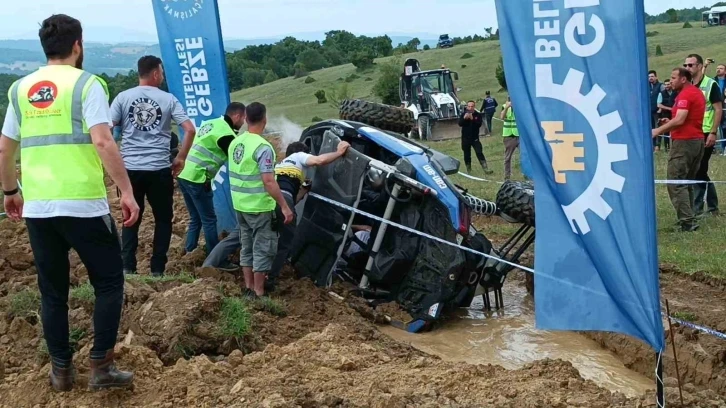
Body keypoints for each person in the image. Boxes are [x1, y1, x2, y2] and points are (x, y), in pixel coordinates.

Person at [0, 14, 138, 391]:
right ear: (78, 45)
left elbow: (5, 147)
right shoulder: (87, 84)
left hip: (40, 208)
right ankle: (101, 366)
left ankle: (61, 370)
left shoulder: (20, 88)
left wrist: (11, 192)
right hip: (82, 204)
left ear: (45, 47)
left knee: (52, 290)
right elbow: (103, 141)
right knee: (109, 281)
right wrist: (125, 191)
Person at [111, 55, 197, 277]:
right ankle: (157, 268)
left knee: (130, 217)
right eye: (162, 72)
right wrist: (181, 158)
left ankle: (127, 267)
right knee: (163, 219)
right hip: (159, 169)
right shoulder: (168, 99)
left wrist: (115, 160)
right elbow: (190, 129)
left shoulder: (122, 97)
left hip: (129, 170)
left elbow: (108, 127)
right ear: (156, 73)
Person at [228, 102, 293, 297]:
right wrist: (284, 206)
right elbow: (268, 181)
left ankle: (249, 288)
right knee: (263, 248)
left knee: (246, 246)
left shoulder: (236, 142)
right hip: (259, 207)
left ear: (246, 119)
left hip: (240, 205)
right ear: (265, 119)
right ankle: (259, 292)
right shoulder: (263, 147)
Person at [266, 140, 350, 292]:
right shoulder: (299, 156)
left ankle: (260, 273)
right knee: (285, 243)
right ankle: (270, 279)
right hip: (284, 199)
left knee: (269, 237)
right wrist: (338, 152)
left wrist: (304, 190)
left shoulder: (279, 165)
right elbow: (320, 160)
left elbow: (293, 197)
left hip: (268, 201)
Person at [177, 102, 246, 259]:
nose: (243, 123)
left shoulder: (212, 123)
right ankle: (215, 258)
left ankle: (189, 252)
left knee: (196, 217)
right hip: (197, 177)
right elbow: (238, 160)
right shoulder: (226, 134)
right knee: (209, 219)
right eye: (243, 118)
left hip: (184, 174)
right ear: (237, 116)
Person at [652, 68, 706, 232]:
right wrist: (669, 121)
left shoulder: (686, 94)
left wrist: (657, 131)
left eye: (674, 77)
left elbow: (681, 119)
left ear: (683, 79)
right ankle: (690, 217)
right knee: (686, 182)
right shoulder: (695, 93)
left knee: (675, 182)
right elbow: (683, 118)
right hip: (696, 141)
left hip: (685, 143)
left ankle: (687, 222)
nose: (671, 80)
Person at [684, 54, 723, 217]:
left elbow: (718, 109)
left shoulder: (710, 84)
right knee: (698, 170)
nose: (687, 68)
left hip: (706, 131)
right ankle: (713, 206)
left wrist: (713, 132)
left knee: (699, 169)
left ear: (700, 66)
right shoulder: (687, 85)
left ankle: (699, 208)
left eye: (691, 65)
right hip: (692, 132)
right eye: (685, 65)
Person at [458, 100, 493, 175]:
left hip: (475, 138)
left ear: (474, 107)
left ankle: (485, 168)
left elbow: (479, 125)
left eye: (472, 106)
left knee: (479, 152)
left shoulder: (477, 115)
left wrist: (472, 119)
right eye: (469, 106)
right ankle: (469, 170)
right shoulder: (464, 114)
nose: (470, 108)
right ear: (467, 107)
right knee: (467, 154)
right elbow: (460, 124)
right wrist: (464, 118)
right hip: (465, 138)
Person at [500, 97, 520, 180]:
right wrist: (506, 107)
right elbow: (502, 117)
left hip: (519, 135)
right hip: (508, 135)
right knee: (507, 158)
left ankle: (527, 174)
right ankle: (507, 176)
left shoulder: (519, 106)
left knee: (525, 156)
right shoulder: (504, 106)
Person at [656, 79, 677, 152]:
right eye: (665, 84)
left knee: (675, 130)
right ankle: (666, 147)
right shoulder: (661, 93)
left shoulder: (675, 92)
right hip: (665, 114)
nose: (667, 86)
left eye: (668, 84)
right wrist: (669, 108)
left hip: (674, 114)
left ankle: (675, 146)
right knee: (666, 130)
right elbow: (659, 104)